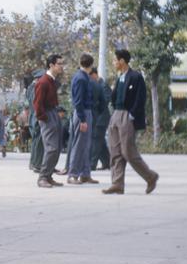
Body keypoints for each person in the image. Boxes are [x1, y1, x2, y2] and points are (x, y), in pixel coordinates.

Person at [103, 48, 159, 195]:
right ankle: (117, 184)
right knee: (115, 151)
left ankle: (150, 176)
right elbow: (115, 97)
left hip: (127, 116)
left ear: (122, 61)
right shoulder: (119, 77)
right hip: (116, 115)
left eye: (115, 60)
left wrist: (131, 115)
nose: (114, 62)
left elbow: (141, 98)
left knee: (128, 152)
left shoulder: (136, 76)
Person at [33, 54, 65, 188]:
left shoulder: (51, 80)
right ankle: (43, 177)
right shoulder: (43, 81)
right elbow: (37, 104)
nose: (61, 66)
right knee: (51, 148)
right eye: (59, 64)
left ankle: (49, 175)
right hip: (47, 115)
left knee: (56, 148)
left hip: (53, 113)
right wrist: (44, 118)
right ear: (51, 65)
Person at [67, 53, 99, 185]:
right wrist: (83, 119)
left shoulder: (81, 76)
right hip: (83, 113)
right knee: (80, 144)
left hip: (84, 112)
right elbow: (79, 101)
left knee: (86, 145)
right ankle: (73, 174)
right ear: (91, 65)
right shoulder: (81, 78)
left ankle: (85, 174)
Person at [89, 67, 111, 171]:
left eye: (90, 75)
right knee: (100, 141)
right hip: (96, 117)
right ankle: (107, 162)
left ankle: (92, 164)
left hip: (101, 118)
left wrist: (93, 104)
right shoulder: (95, 85)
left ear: (94, 74)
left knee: (96, 141)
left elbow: (106, 99)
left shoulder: (103, 85)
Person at [26, 69, 45, 172]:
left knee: (36, 141)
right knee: (38, 141)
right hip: (36, 116)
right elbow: (36, 104)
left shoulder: (31, 87)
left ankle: (34, 163)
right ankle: (36, 164)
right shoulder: (35, 88)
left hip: (34, 116)